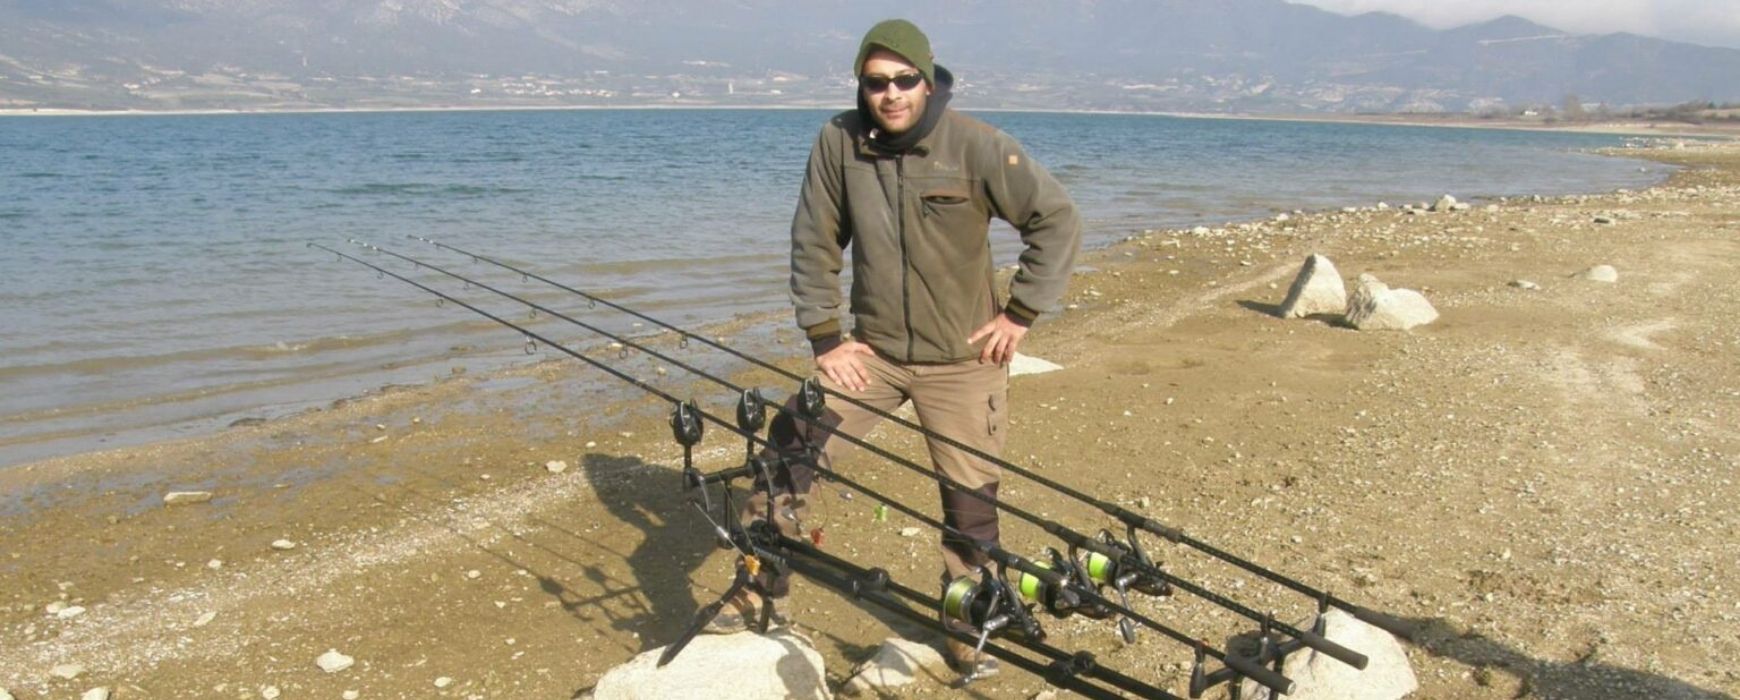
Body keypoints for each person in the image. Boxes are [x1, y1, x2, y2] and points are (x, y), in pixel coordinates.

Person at [717, 18, 1082, 676]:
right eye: (875, 82)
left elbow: (1055, 220)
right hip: (873, 357)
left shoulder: (977, 146)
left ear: (927, 80)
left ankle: (964, 619)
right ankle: (759, 588)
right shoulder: (838, 142)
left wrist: (1019, 314)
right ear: (861, 86)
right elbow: (814, 241)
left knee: (971, 507)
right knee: (787, 453)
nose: (890, 94)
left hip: (965, 364)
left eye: (904, 80)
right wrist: (826, 337)